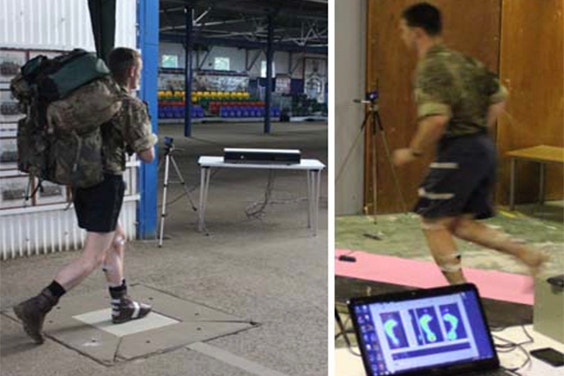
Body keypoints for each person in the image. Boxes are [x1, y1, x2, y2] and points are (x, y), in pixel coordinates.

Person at [392, 3, 547, 285]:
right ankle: (526, 253)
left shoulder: (431, 68)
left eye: (402, 31)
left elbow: (437, 119)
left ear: (416, 33)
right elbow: (500, 96)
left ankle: (460, 292)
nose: (401, 37)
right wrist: (478, 130)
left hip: (459, 150)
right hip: (483, 148)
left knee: (433, 222)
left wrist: (412, 151)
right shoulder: (466, 62)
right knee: (459, 223)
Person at [14, 47, 158, 344]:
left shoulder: (91, 96)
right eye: (139, 68)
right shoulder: (127, 104)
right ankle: (37, 306)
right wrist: (150, 140)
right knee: (91, 258)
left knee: (116, 240)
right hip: (107, 183)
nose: (139, 73)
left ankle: (122, 304)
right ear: (132, 71)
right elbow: (147, 155)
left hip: (83, 180)